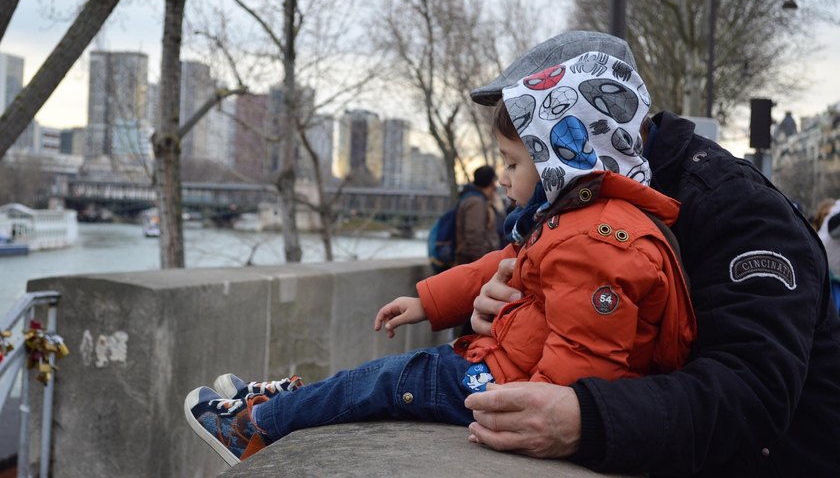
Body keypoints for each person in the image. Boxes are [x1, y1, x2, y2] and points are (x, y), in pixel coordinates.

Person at [182, 54, 697, 466]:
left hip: (501, 382)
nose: (505, 178)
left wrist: (527, 414)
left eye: (514, 164)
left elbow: (586, 357)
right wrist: (428, 301)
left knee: (389, 380)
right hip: (501, 365)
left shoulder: (598, 239)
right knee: (382, 378)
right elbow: (501, 264)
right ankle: (283, 403)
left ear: (559, 163)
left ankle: (254, 426)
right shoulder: (580, 223)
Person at [463, 30, 840, 477]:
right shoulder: (579, 208)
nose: (524, 170)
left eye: (535, 141)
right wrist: (511, 308)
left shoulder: (739, 209)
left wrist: (588, 418)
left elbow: (754, 392)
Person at [455, 165, 502, 265]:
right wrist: (483, 265)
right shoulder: (476, 203)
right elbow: (474, 238)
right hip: (478, 264)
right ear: (492, 182)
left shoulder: (477, 199)